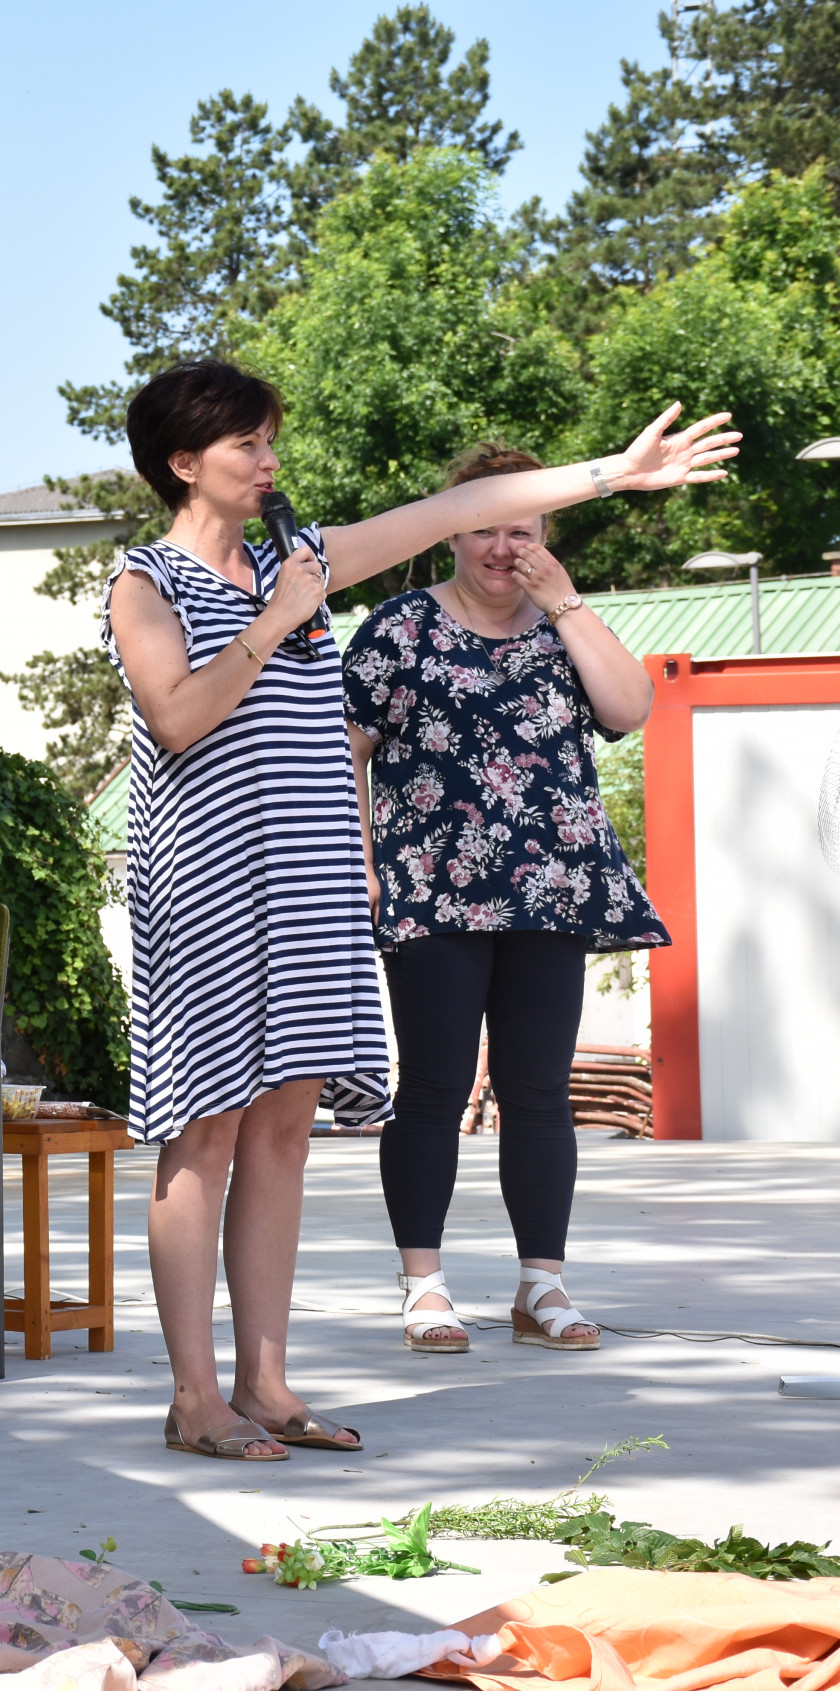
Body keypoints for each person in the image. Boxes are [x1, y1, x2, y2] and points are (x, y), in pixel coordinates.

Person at [103, 361, 736, 1462]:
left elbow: (459, 506)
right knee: (205, 1133)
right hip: (207, 876)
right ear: (183, 461)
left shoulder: (301, 557)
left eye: (270, 440)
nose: (270, 461)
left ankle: (265, 1385)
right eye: (249, 444)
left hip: (309, 879)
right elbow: (177, 719)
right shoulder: (144, 583)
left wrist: (614, 475)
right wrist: (274, 620)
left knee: (285, 1131)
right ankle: (193, 1398)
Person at [344, 445, 668, 1357]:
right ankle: (424, 1285)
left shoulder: (565, 623)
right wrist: (361, 862)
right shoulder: (400, 627)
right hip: (432, 889)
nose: (500, 546)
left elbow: (630, 707)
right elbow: (343, 752)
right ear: (450, 530)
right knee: (434, 1085)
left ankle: (542, 1286)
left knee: (538, 1091)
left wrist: (566, 601)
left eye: (519, 529)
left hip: (552, 890)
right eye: (482, 526)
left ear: (544, 532)